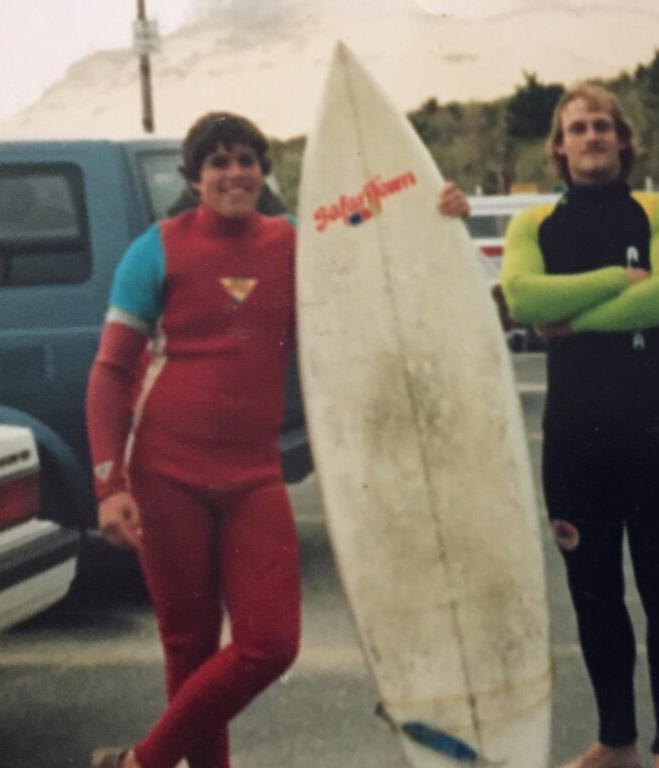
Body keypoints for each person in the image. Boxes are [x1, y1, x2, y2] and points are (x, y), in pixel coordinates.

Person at [86, 111, 470, 768]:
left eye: (247, 160)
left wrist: (439, 208)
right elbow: (112, 370)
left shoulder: (295, 240)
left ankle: (138, 765)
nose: (234, 173)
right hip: (164, 474)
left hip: (252, 476)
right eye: (218, 161)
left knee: (269, 645)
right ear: (194, 177)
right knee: (191, 647)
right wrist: (108, 482)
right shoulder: (156, 247)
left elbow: (376, 233)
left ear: (264, 171)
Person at [500, 84, 659, 768]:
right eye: (576, 128)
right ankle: (617, 739)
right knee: (593, 596)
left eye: (601, 127)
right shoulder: (533, 226)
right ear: (559, 145)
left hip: (656, 437)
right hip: (574, 444)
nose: (590, 137)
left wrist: (568, 326)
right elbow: (524, 298)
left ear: (622, 140)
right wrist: (623, 279)